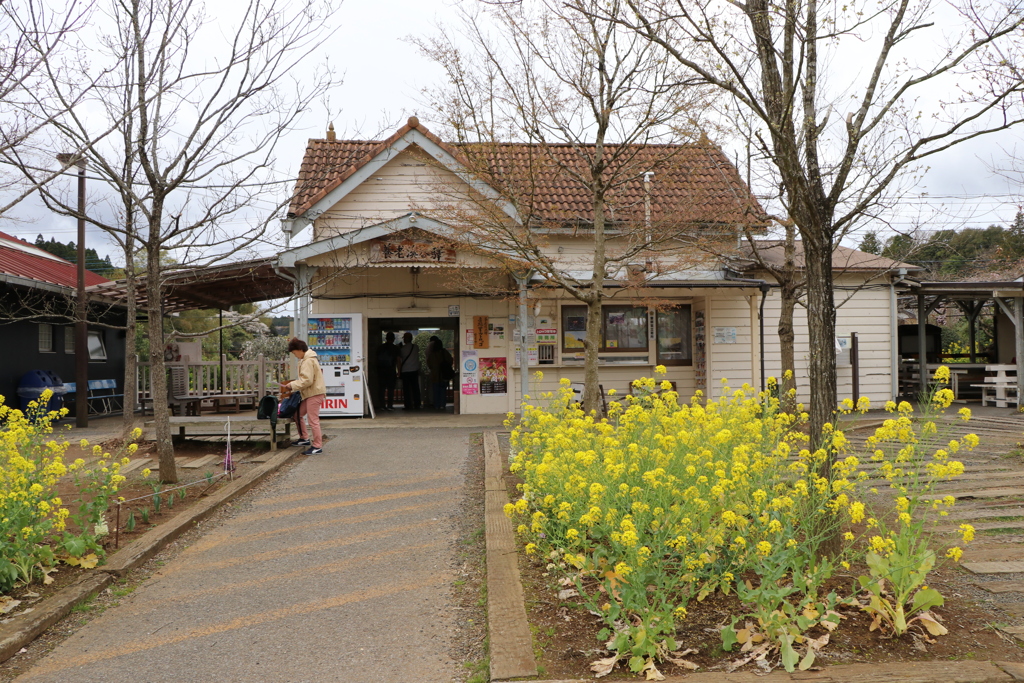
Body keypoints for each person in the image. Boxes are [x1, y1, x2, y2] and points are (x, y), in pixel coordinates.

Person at [279, 337, 326, 455]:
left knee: (313, 420)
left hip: (314, 393)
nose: (295, 355)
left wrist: (292, 385)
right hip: (311, 393)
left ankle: (317, 446)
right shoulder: (307, 359)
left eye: (295, 353)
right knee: (297, 415)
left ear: (300, 350)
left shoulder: (308, 360)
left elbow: (307, 380)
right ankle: (304, 438)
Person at [397, 331, 421, 410]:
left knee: (406, 389)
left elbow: (399, 360)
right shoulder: (416, 347)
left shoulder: (402, 349)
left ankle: (408, 405)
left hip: (405, 371)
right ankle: (417, 404)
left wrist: (399, 372)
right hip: (414, 370)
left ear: (405, 339)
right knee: (415, 388)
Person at [376, 331, 399, 411]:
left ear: (386, 338)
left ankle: (382, 405)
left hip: (381, 370)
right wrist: (399, 371)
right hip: (391, 370)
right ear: (393, 339)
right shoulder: (395, 348)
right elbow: (398, 360)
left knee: (381, 388)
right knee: (391, 389)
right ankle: (390, 405)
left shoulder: (380, 347)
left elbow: (376, 359)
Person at [426, 336, 448, 411]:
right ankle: (442, 404)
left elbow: (429, 364)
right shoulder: (445, 352)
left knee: (435, 391)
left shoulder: (432, 355)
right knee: (443, 391)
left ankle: (436, 405)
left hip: (435, 375)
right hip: (444, 374)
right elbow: (450, 360)